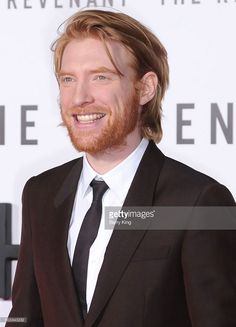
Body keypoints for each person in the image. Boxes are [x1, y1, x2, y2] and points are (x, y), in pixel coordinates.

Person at [7, 9, 236, 327]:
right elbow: (23, 317)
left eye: (101, 76)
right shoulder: (41, 193)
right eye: (68, 79)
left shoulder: (200, 201)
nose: (80, 97)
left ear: (145, 88)